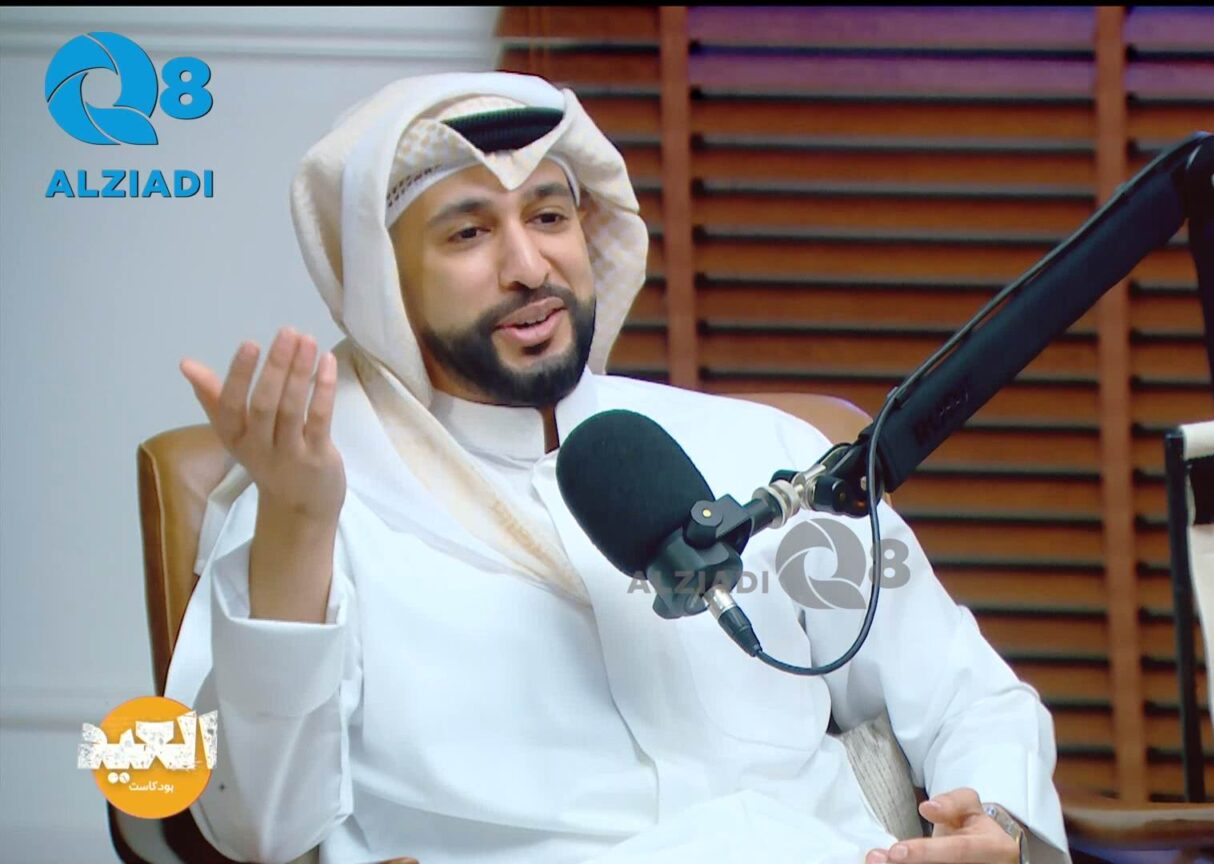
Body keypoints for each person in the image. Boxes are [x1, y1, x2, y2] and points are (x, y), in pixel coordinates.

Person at [167, 71, 1068, 864]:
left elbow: (967, 692)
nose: (529, 267)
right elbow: (258, 827)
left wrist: (995, 818)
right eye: (468, 233)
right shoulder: (312, 506)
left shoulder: (767, 452)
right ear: (385, 283)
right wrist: (298, 526)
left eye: (549, 217)